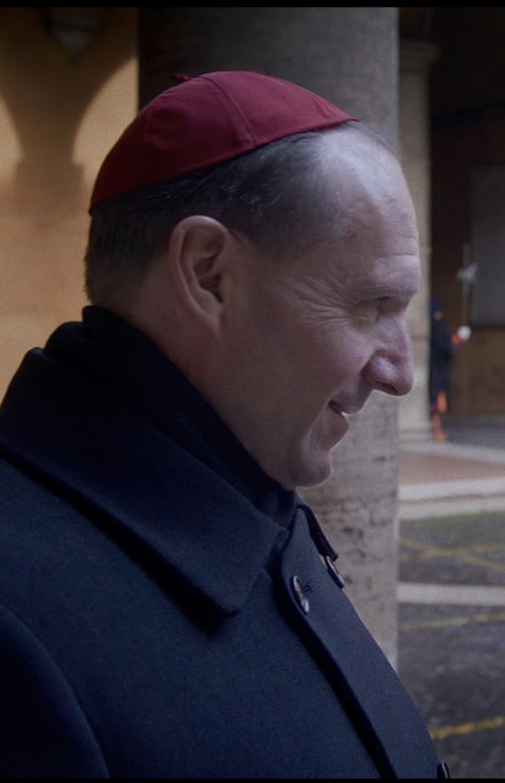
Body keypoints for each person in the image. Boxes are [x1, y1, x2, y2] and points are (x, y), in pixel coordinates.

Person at [0, 71, 448, 777]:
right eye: (370, 305)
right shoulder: (15, 627)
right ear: (208, 274)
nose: (400, 372)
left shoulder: (250, 487)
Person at [428, 297, 468, 442]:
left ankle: (437, 431)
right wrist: (459, 339)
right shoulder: (438, 327)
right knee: (437, 403)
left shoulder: (430, 326)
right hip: (438, 371)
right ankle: (436, 431)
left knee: (436, 402)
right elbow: (447, 348)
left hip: (434, 369)